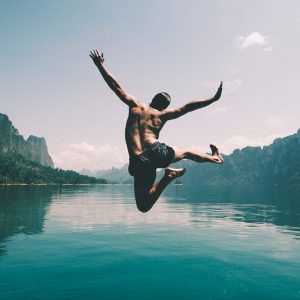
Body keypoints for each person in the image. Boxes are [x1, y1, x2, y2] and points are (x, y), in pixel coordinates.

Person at [90, 49, 224, 213]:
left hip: (137, 161)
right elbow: (188, 107)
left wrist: (100, 65)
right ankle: (215, 158)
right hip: (156, 152)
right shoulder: (162, 114)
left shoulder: (135, 105)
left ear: (152, 99)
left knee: (143, 206)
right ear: (165, 106)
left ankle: (168, 177)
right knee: (187, 152)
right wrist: (213, 98)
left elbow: (116, 87)